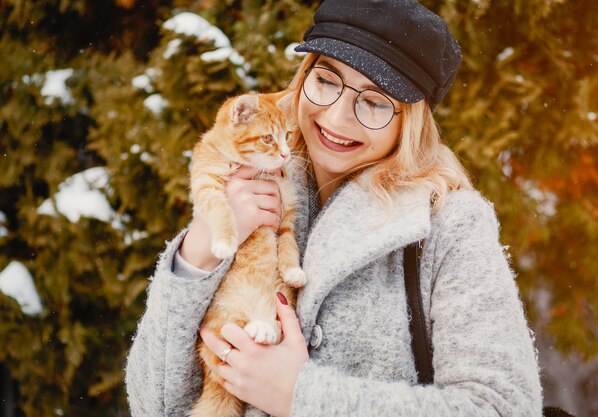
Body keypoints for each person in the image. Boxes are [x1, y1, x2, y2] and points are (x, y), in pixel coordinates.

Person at [125, 0, 543, 416]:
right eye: (326, 80)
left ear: (409, 121)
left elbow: (502, 407)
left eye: (375, 101)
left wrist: (301, 396)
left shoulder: (451, 225)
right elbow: (154, 405)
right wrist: (197, 252)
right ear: (304, 76)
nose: (338, 118)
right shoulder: (251, 178)